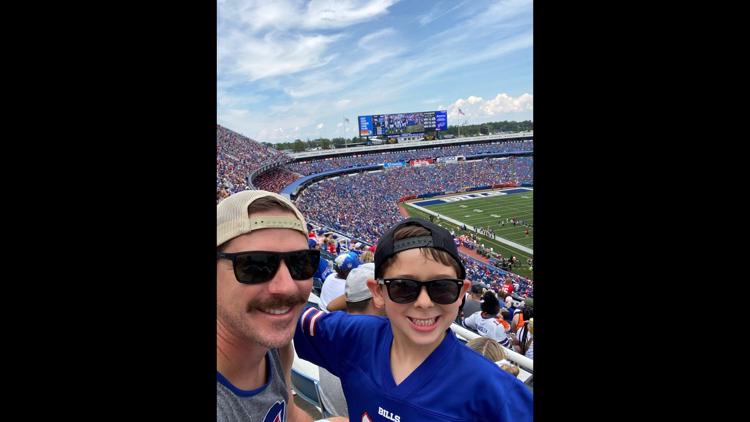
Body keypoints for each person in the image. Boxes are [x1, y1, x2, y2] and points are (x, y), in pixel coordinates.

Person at [294, 217, 533, 421]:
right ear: (378, 293)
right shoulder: (355, 334)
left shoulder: (493, 390)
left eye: (442, 287)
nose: (424, 302)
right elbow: (282, 318)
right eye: (403, 287)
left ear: (461, 293)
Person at [216, 190, 320, 422]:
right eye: (255, 265)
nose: (287, 287)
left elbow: (290, 415)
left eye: (301, 262)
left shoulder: (275, 348)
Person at [317, 263, 385, 417]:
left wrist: (354, 293)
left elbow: (332, 306)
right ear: (377, 296)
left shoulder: (333, 332)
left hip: (331, 414)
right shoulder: (373, 350)